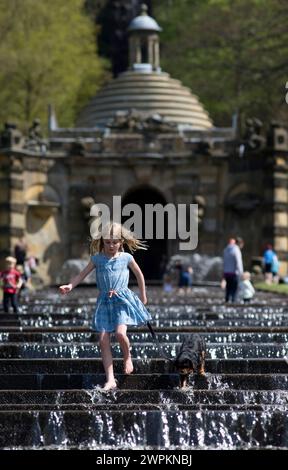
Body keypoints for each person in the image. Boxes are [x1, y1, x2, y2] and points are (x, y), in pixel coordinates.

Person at [59, 222, 152, 391]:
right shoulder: (97, 259)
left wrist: (143, 295)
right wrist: (70, 286)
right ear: (102, 242)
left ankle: (127, 356)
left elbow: (140, 274)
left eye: (114, 242)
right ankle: (110, 379)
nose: (111, 245)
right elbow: (81, 274)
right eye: (107, 242)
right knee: (103, 339)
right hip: (104, 301)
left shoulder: (126, 258)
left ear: (121, 242)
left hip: (122, 300)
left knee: (120, 333)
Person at [222, 238, 243, 302]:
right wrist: (241, 273)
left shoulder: (225, 250)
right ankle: (233, 302)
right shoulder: (236, 250)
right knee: (234, 289)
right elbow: (238, 262)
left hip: (226, 273)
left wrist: (223, 273)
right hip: (234, 273)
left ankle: (227, 300)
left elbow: (224, 262)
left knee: (228, 288)